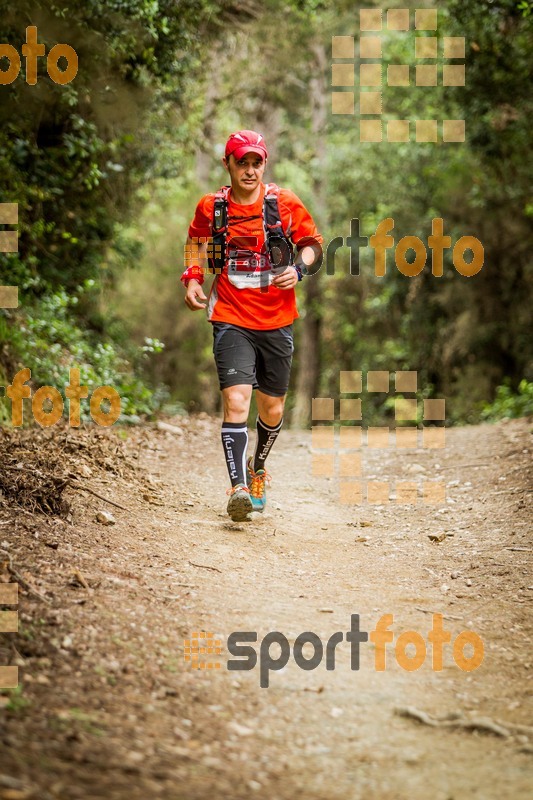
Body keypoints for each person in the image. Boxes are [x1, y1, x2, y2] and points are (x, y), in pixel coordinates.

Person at [181, 129, 322, 521]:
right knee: (236, 399)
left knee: (272, 407)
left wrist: (298, 269)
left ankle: (257, 469)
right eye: (241, 162)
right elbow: (195, 241)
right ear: (227, 164)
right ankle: (237, 487)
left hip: (277, 319)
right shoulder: (213, 207)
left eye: (256, 162)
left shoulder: (283, 204)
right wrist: (193, 278)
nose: (249, 169)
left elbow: (313, 244)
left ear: (264, 164)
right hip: (230, 315)